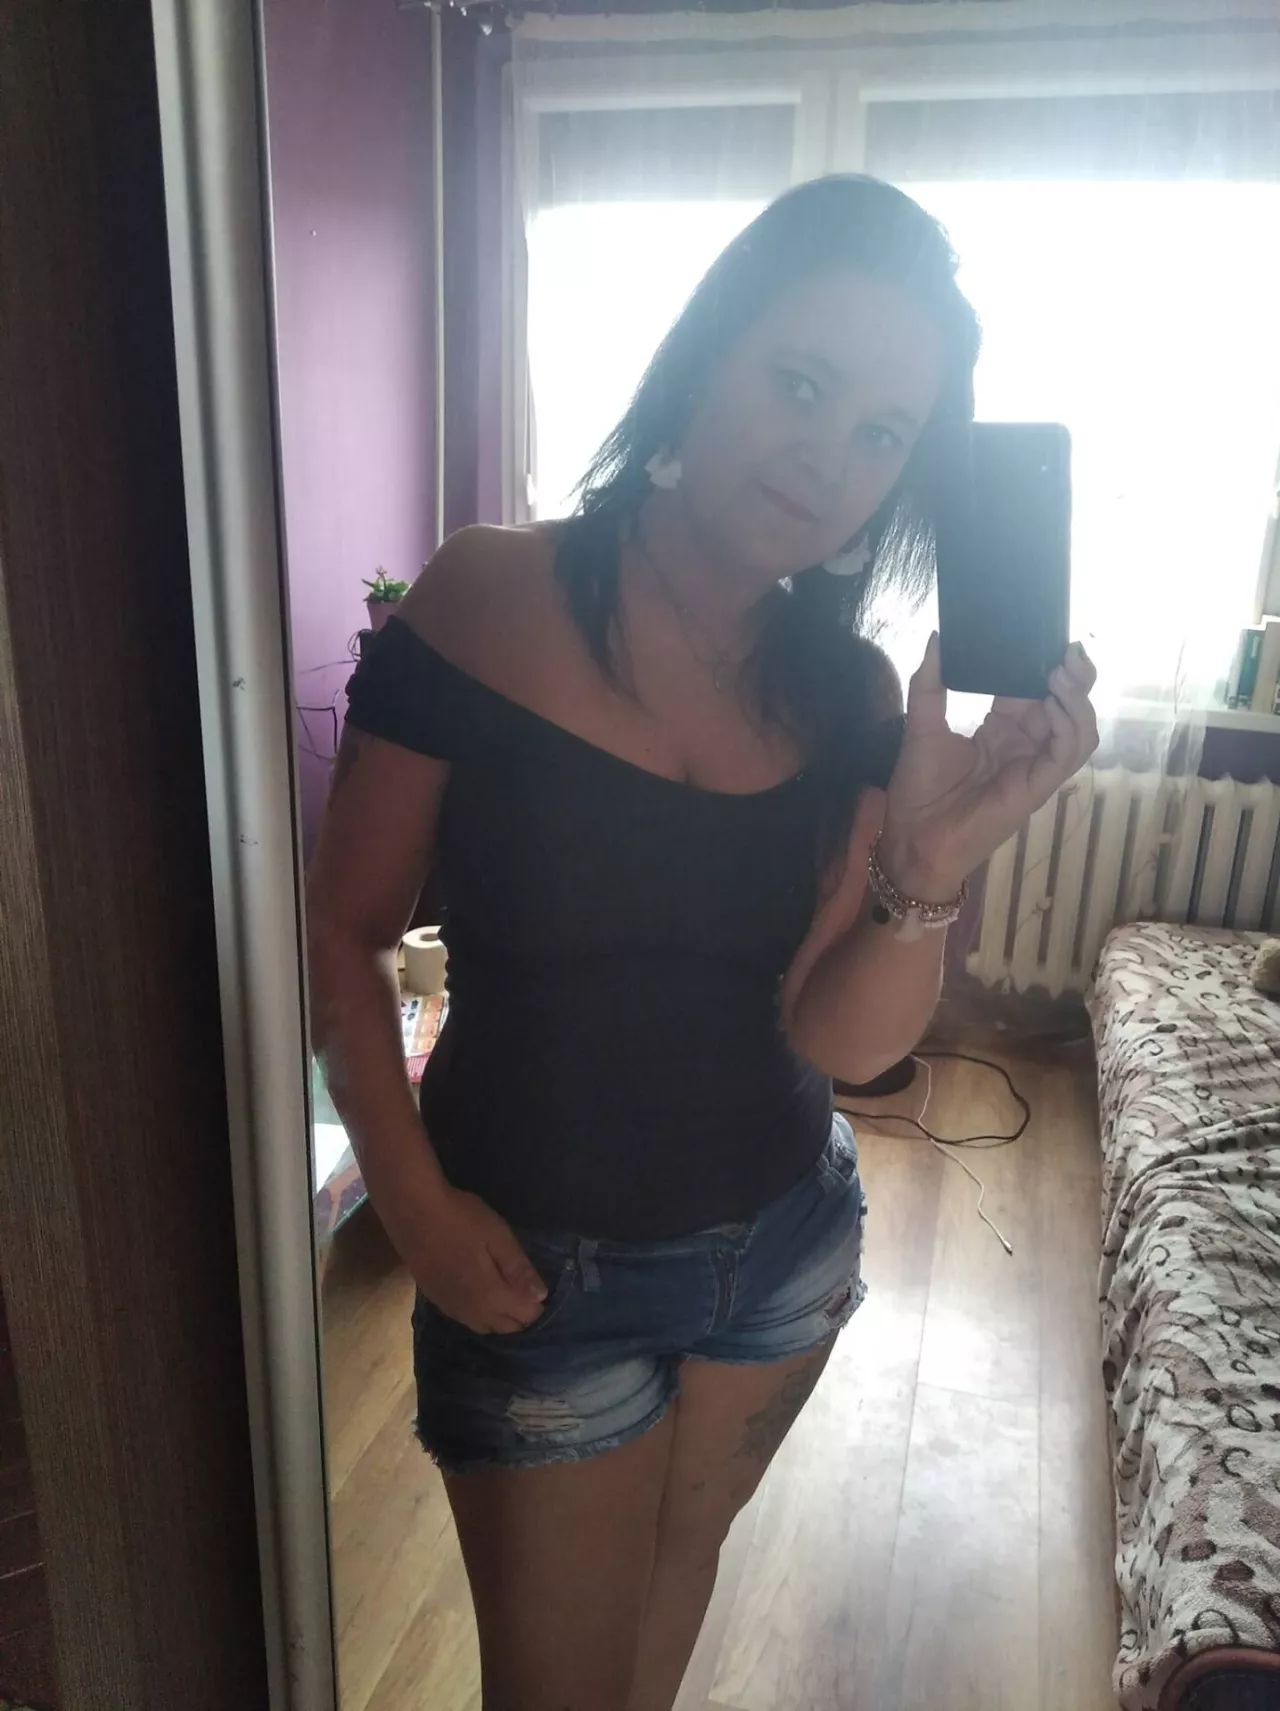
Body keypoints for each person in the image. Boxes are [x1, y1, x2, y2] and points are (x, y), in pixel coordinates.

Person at [306, 175, 1098, 1711]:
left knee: (660, 1635)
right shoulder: (483, 599)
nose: (826, 456)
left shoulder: (850, 693)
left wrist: (932, 864)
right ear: (706, 351)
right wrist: (410, 1201)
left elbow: (841, 1040)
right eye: (800, 383)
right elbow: (345, 931)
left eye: (881, 432)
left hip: (782, 1253)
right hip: (534, 1271)